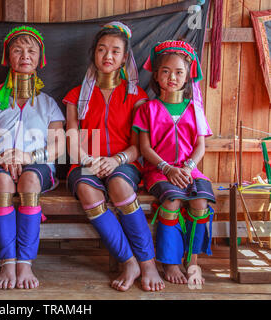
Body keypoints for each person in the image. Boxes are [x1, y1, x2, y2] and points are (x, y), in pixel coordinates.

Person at [63, 22, 164, 292]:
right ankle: (128, 261)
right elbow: (70, 138)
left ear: (124, 58)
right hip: (85, 162)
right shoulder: (76, 95)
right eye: (102, 49)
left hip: (124, 162)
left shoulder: (136, 97)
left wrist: (115, 160)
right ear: (93, 54)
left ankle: (148, 263)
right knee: (86, 188)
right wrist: (87, 160)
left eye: (115, 51)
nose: (107, 56)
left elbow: (138, 147)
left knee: (119, 184)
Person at [0, 26, 66, 290]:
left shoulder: (48, 103)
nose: (24, 55)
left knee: (29, 181)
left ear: (39, 59)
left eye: (31, 50)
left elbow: (58, 145)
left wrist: (28, 156)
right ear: (7, 57)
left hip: (37, 166)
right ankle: (7, 262)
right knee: (3, 184)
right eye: (17, 50)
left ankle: (25, 262)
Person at [133, 40, 215, 288]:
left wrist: (188, 167)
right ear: (156, 75)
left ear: (188, 76)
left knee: (200, 203)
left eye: (179, 72)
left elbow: (200, 146)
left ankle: (192, 259)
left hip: (190, 168)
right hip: (158, 171)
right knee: (172, 201)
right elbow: (145, 148)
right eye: (166, 71)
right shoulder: (148, 108)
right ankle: (170, 262)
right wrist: (167, 168)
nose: (172, 77)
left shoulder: (195, 109)